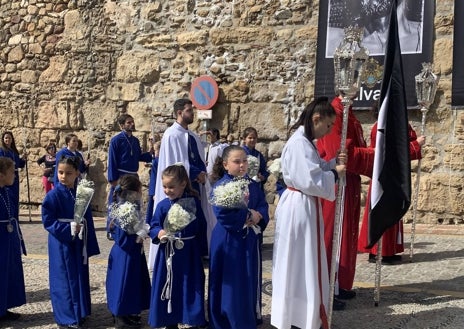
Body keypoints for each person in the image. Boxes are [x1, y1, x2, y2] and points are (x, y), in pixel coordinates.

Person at [271, 97, 346, 329]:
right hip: (300, 205)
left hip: (301, 203)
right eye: (329, 125)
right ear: (316, 119)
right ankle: (299, 313)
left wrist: (332, 164)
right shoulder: (299, 143)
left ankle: (301, 311)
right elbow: (310, 180)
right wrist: (335, 174)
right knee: (301, 259)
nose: (330, 130)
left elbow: (313, 168)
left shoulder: (305, 141)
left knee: (301, 260)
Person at [316, 91, 374, 303]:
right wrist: (374, 154)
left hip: (349, 181)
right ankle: (329, 288)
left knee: (345, 232)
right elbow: (339, 152)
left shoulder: (347, 111)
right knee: (334, 234)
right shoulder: (336, 112)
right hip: (337, 182)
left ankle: (341, 282)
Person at [147, 98, 216, 270]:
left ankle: (197, 251)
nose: (192, 113)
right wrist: (194, 173)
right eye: (189, 110)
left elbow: (198, 160)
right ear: (179, 113)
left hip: (195, 188)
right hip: (181, 188)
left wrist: (202, 174)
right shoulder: (171, 135)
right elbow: (175, 164)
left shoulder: (192, 136)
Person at [209, 145, 269, 329]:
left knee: (247, 278)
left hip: (248, 239)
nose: (242, 165)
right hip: (228, 240)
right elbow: (222, 213)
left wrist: (259, 215)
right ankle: (228, 318)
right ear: (226, 164)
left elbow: (262, 205)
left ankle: (247, 316)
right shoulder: (221, 186)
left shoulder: (253, 184)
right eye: (237, 162)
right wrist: (247, 216)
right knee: (231, 281)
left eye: (244, 161)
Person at [358, 102, 426, 264]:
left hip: (392, 176)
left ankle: (387, 251)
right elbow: (394, 152)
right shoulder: (381, 128)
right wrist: (416, 145)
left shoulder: (390, 126)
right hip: (385, 177)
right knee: (384, 212)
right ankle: (381, 252)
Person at [41, 156, 100, 329]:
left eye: (68, 173)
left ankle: (79, 311)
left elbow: (86, 216)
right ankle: (66, 317)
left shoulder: (80, 194)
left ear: (76, 174)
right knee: (63, 277)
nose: (63, 176)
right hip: (61, 241)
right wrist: (67, 229)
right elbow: (48, 220)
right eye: (60, 172)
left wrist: (85, 234)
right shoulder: (53, 195)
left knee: (78, 275)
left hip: (78, 240)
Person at [148, 164, 208, 329]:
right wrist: (159, 233)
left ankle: (193, 318)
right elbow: (153, 226)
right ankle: (169, 319)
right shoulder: (162, 206)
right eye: (165, 187)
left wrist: (202, 251)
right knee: (170, 285)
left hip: (189, 252)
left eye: (171, 186)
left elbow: (201, 227)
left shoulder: (194, 203)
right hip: (168, 253)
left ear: (183, 184)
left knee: (190, 285)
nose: (167, 190)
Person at [106, 175, 151, 329]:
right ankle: (121, 316)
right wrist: (139, 237)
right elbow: (123, 237)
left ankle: (130, 312)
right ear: (135, 191)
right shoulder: (125, 210)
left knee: (131, 283)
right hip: (126, 253)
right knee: (124, 284)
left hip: (128, 253)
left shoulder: (127, 206)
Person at [107, 114, 153, 238]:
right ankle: (113, 229)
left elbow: (138, 157)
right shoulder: (116, 140)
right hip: (121, 177)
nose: (132, 124)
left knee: (134, 203)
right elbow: (112, 160)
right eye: (128, 122)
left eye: (132, 122)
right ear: (122, 125)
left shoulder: (135, 140)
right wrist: (113, 180)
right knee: (117, 203)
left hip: (133, 176)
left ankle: (134, 226)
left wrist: (150, 152)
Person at [0, 157, 26, 322]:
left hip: (7, 238)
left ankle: (3, 307)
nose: (15, 176)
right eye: (12, 172)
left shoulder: (6, 192)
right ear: (1, 174)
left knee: (7, 273)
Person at [0, 131, 26, 219]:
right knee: (8, 196)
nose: (8, 140)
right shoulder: (2, 151)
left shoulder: (14, 151)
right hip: (6, 176)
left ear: (12, 140)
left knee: (15, 197)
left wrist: (23, 159)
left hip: (14, 177)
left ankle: (15, 217)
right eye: (6, 138)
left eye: (9, 138)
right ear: (3, 140)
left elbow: (19, 164)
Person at [145, 139, 161, 225]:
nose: (155, 152)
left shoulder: (159, 160)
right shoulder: (157, 159)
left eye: (156, 150)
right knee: (150, 206)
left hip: (155, 186)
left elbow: (154, 162)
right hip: (153, 185)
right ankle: (148, 223)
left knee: (152, 206)